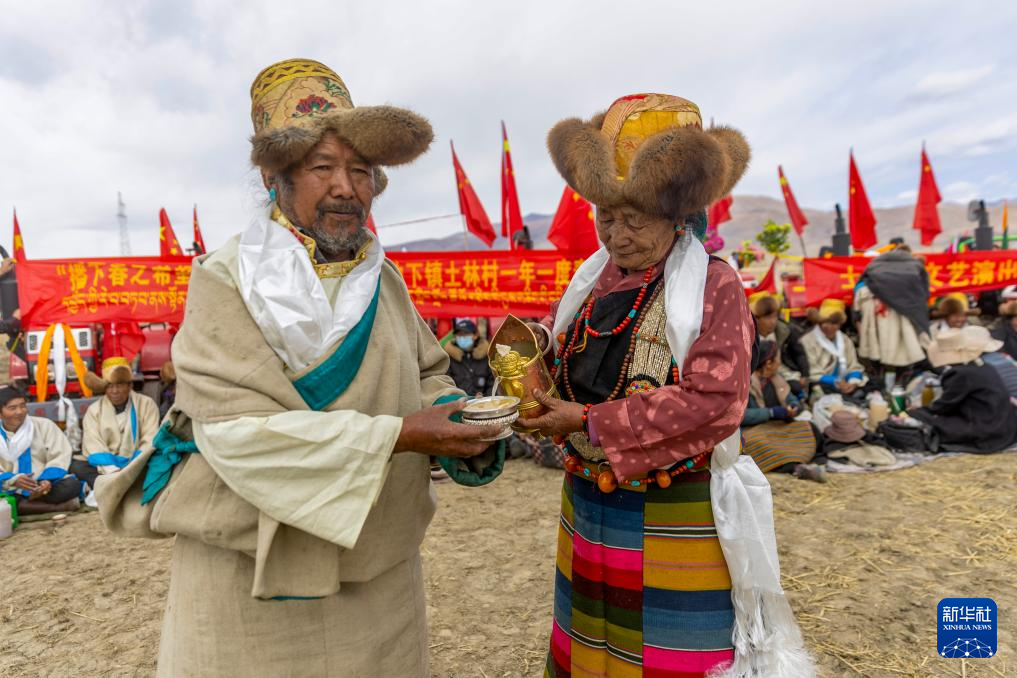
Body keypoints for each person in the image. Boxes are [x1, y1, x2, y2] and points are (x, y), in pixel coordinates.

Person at [95, 58, 503, 678]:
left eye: (360, 171)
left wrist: (463, 421)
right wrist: (401, 435)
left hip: (378, 573)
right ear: (274, 177)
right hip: (249, 575)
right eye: (322, 167)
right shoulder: (225, 279)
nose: (345, 188)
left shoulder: (384, 281)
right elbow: (235, 433)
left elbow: (427, 375)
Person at [521, 93, 813, 677]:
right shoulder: (591, 282)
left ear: (677, 217)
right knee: (591, 638)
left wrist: (588, 422)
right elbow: (567, 343)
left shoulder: (714, 286)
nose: (616, 235)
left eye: (635, 219)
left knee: (667, 654)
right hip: (588, 498)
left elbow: (716, 401)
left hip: (674, 507)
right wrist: (534, 350)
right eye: (606, 216)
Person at [908, 325, 1017, 453]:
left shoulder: (960, 374)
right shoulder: (984, 366)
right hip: (1004, 427)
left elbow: (944, 406)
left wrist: (918, 411)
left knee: (923, 417)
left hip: (986, 430)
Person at [741, 341, 826, 482]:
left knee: (809, 428)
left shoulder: (777, 379)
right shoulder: (745, 382)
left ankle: (803, 461)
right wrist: (771, 413)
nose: (780, 363)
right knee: (758, 442)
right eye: (778, 359)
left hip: (778, 427)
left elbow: (792, 400)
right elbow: (740, 415)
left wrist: (794, 407)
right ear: (769, 363)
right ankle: (797, 468)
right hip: (754, 430)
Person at [73, 357, 160, 490]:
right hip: (106, 465)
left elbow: (150, 439)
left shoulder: (147, 404)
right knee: (77, 466)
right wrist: (112, 469)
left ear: (130, 386)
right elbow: (93, 443)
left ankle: (107, 486)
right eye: (109, 386)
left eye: (119, 385)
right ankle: (115, 484)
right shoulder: (94, 410)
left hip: (136, 462)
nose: (114, 391)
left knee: (158, 461)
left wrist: (132, 467)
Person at [854, 245, 930, 388]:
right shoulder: (914, 268)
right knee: (903, 350)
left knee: (876, 353)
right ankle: (899, 385)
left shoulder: (873, 266)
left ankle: (880, 386)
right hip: (902, 315)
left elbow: (857, 301)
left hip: (873, 310)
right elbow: (923, 295)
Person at [0, 386, 80, 514]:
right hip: (10, 486)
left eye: (22, 406)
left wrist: (46, 480)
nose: (20, 411)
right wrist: (13, 479)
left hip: (43, 482)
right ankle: (57, 508)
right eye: (12, 408)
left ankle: (27, 505)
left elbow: (59, 456)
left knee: (71, 485)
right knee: (6, 497)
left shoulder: (44, 425)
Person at [801, 299, 867, 399]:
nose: (829, 327)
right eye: (825, 322)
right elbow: (811, 372)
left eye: (834, 323)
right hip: (822, 383)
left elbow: (853, 365)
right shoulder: (807, 340)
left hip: (844, 381)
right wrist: (834, 381)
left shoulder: (845, 340)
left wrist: (853, 381)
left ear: (840, 324)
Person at [750, 292, 810, 396]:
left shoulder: (785, 331)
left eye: (775, 316)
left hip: (785, 372)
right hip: (758, 375)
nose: (773, 321)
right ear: (757, 319)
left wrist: (805, 374)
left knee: (796, 388)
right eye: (768, 317)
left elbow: (799, 353)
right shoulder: (749, 337)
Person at [444, 318, 492, 396]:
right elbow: (446, 385)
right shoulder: (448, 358)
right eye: (459, 334)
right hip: (457, 402)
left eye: (465, 334)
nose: (462, 337)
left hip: (483, 402)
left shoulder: (486, 356)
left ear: (475, 335)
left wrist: (485, 399)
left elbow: (492, 383)